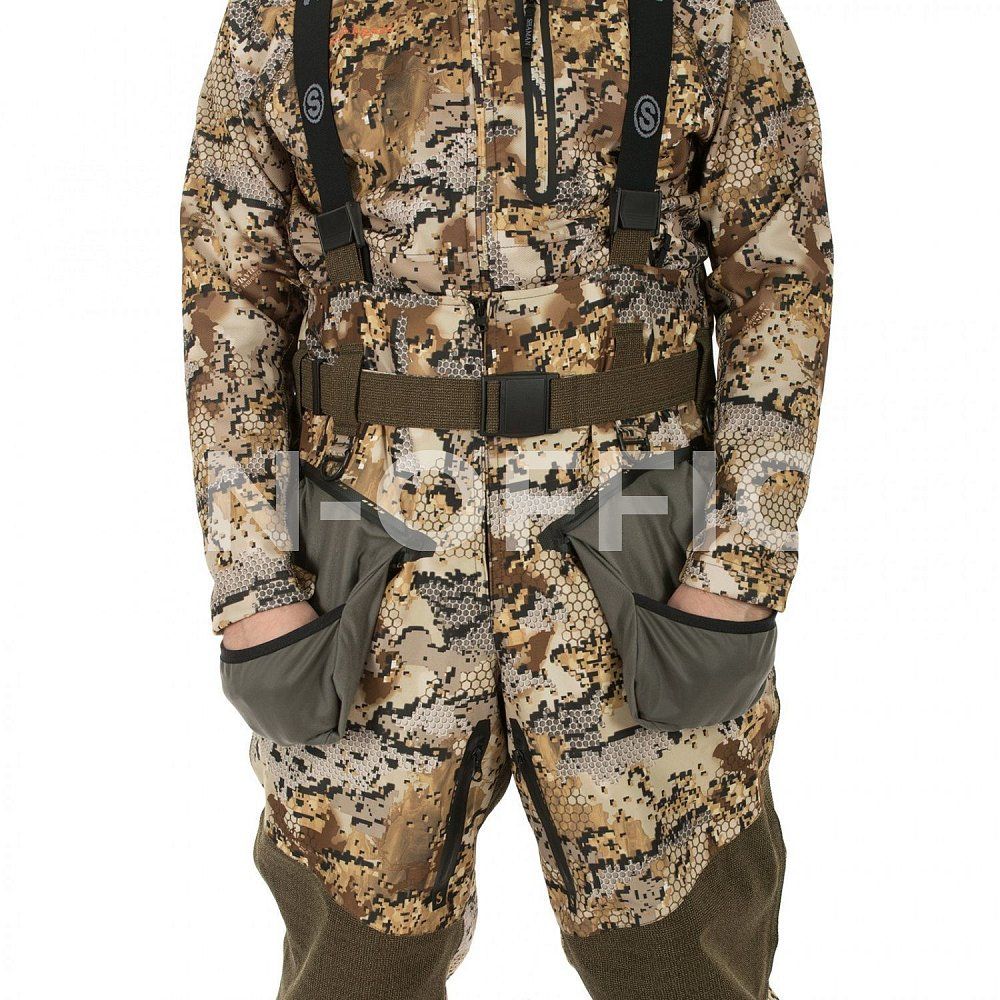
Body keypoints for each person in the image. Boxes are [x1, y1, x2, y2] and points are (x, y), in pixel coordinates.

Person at [181, 0, 832, 994]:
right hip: (361, 584)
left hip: (642, 568)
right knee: (354, 968)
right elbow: (227, 296)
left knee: (681, 962)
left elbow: (781, 279)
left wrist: (739, 571)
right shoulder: (278, 14)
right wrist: (253, 584)